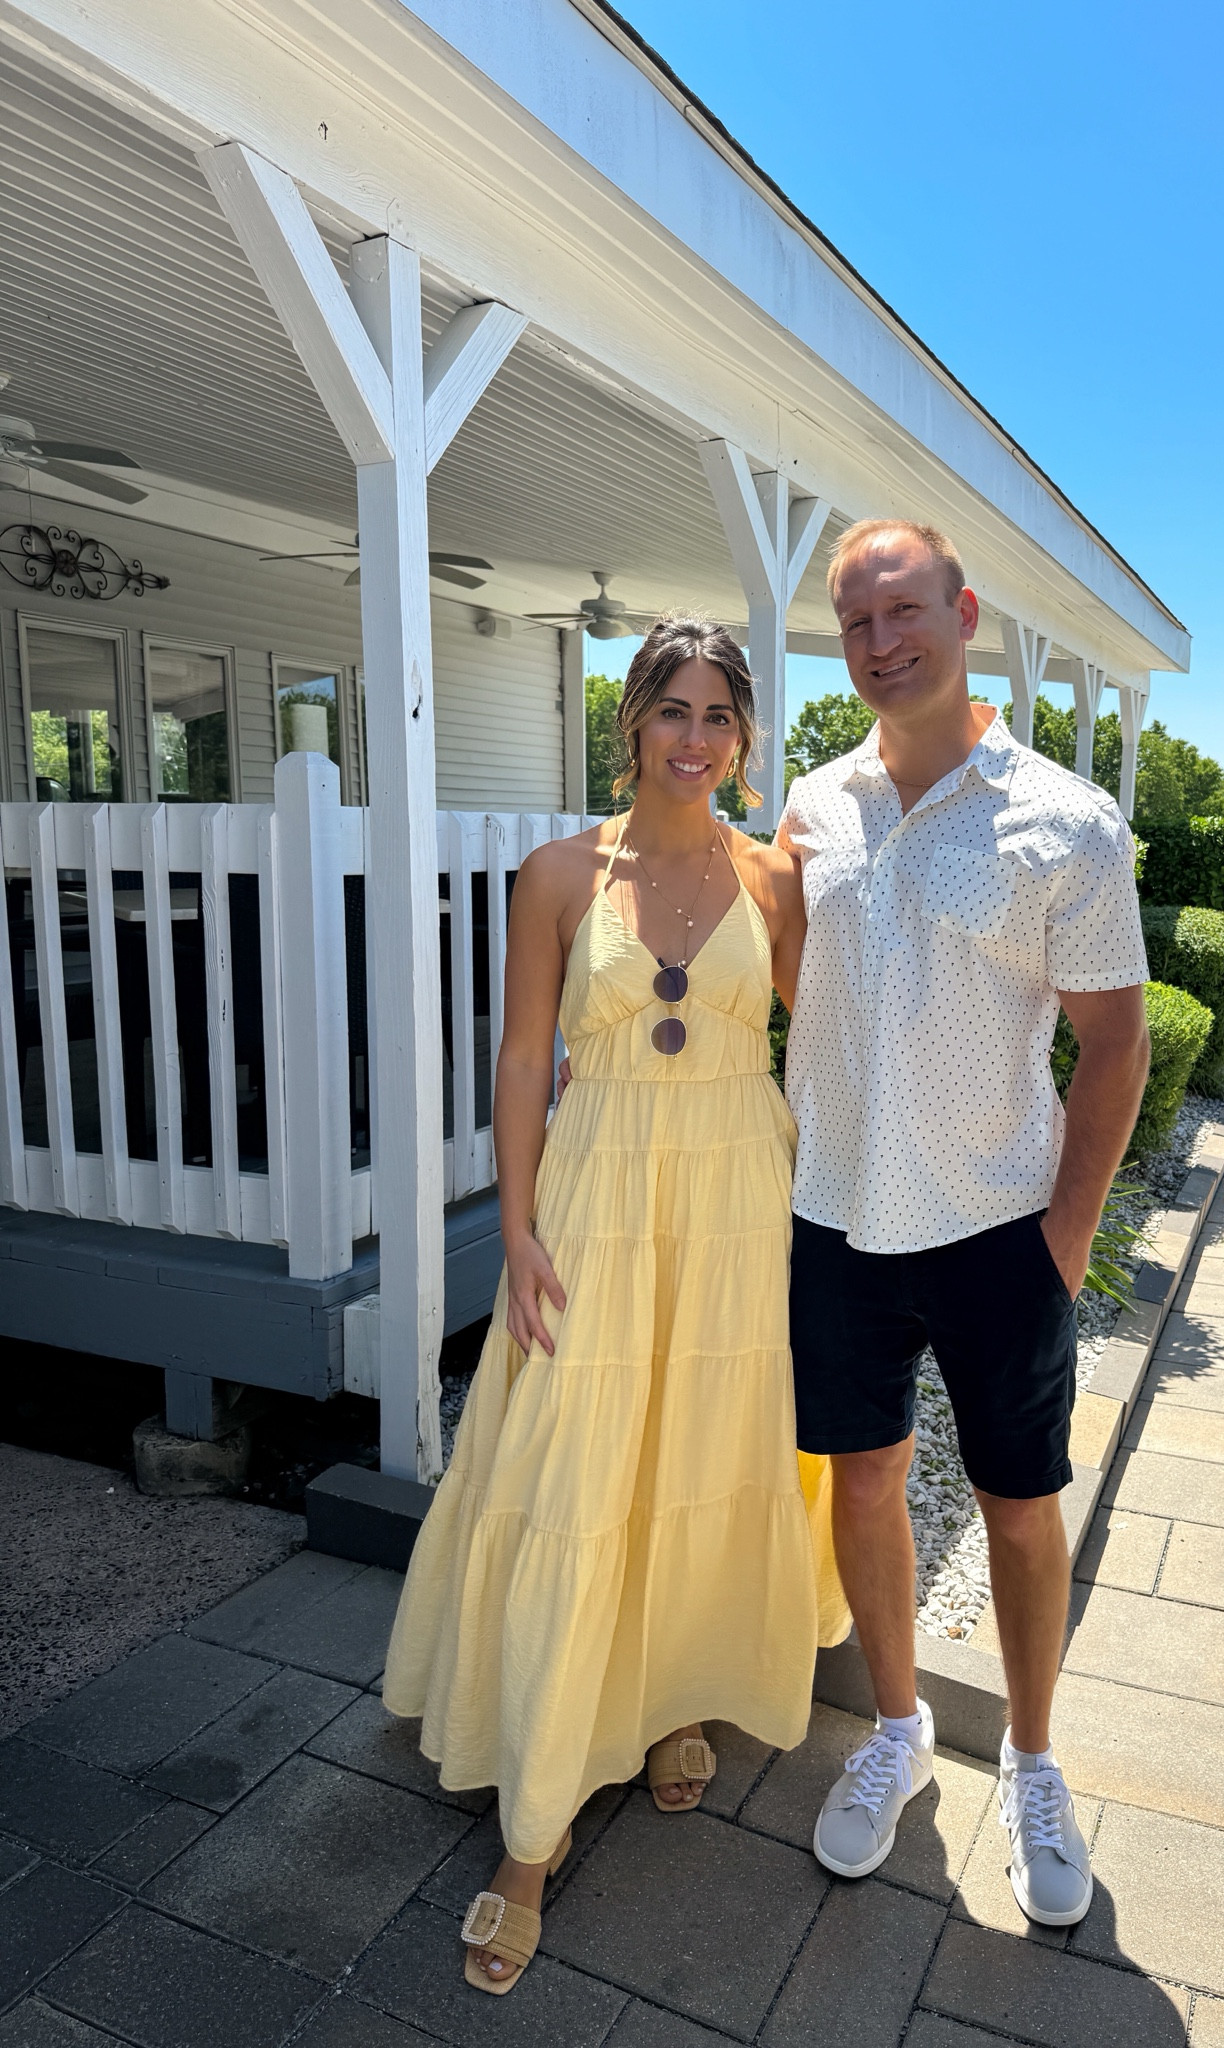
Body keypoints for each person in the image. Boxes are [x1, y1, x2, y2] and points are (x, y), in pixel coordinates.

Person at [383, 616, 847, 1996]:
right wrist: (515, 1228)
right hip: (594, 1197)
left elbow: (812, 1063)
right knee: (580, 1466)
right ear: (630, 723)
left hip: (732, 1201)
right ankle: (529, 1840)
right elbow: (524, 1056)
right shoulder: (556, 874)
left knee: (699, 1458)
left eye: (719, 715)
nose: (694, 740)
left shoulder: (779, 884)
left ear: (745, 736)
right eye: (672, 712)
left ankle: (669, 1702)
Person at [778, 519, 1150, 1925]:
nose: (883, 643)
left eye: (905, 612)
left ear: (964, 612)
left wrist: (1065, 1239)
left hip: (1000, 1229)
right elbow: (790, 985)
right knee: (866, 1487)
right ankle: (894, 1729)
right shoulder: (813, 809)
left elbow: (1114, 1046)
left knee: (1016, 1505)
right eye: (858, 622)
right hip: (839, 1219)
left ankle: (1037, 1761)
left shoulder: (1064, 821)